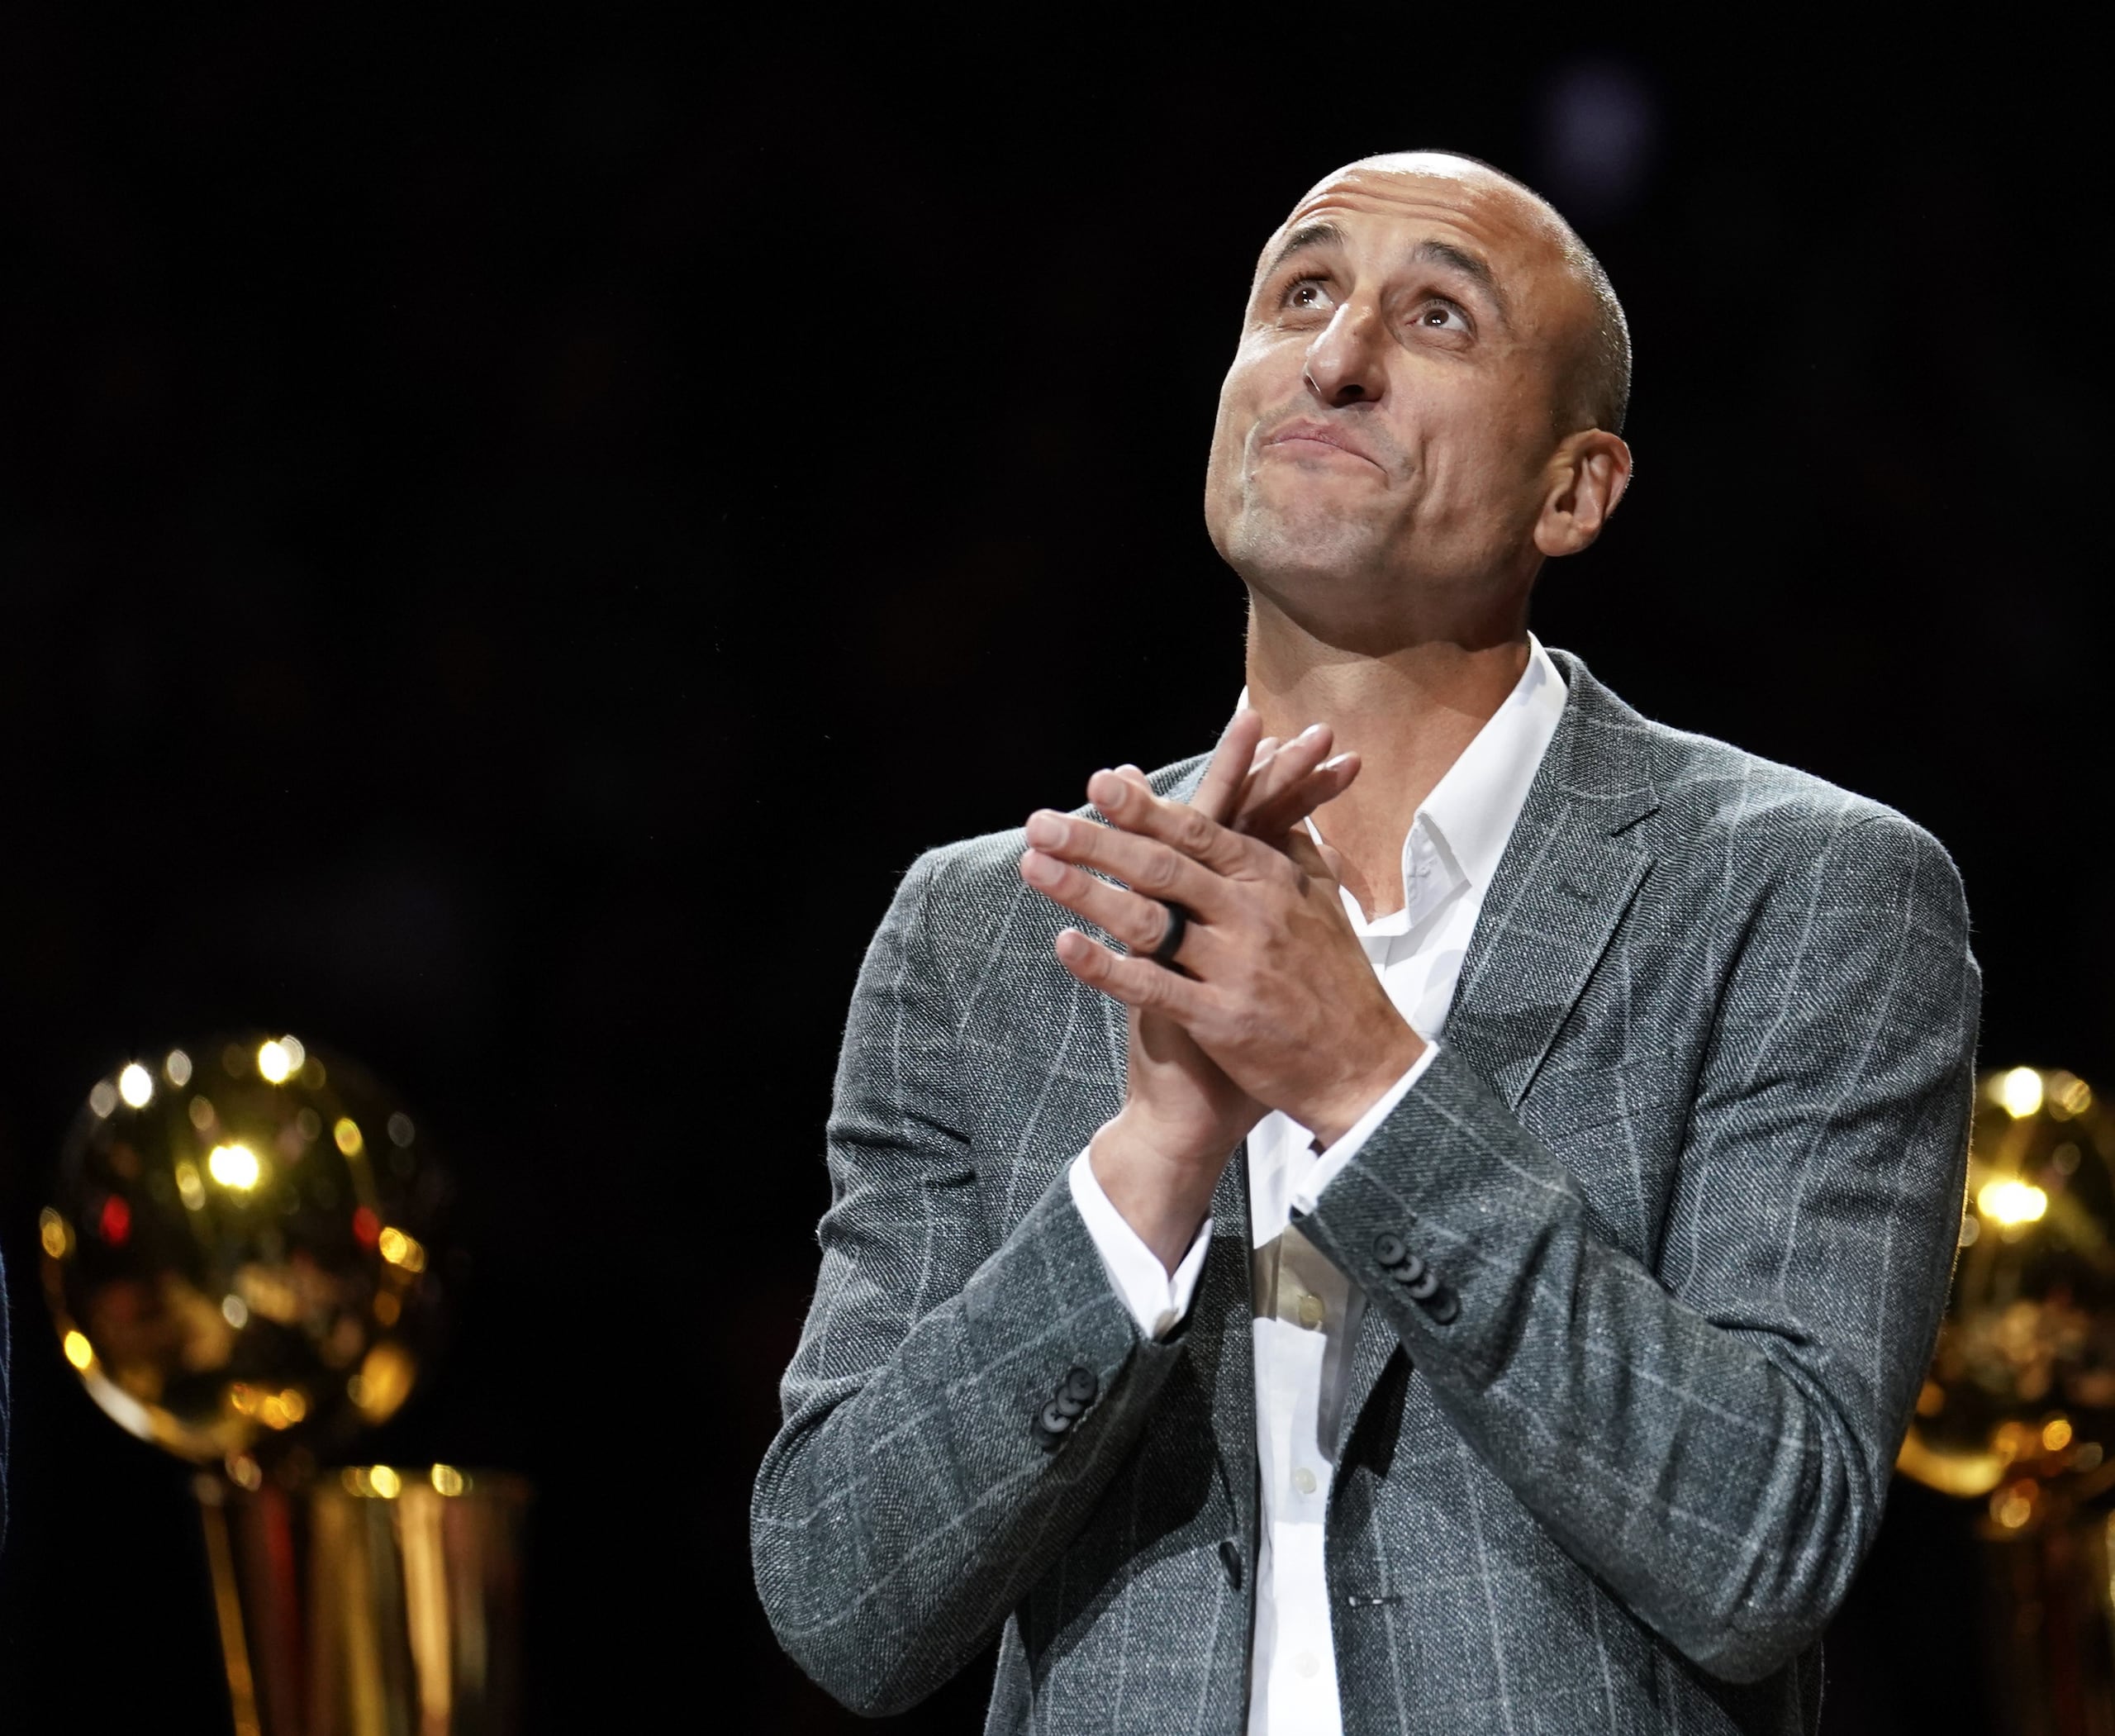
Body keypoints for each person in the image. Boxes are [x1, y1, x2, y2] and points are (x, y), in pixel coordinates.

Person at [750, 150, 1979, 1735]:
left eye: (1439, 318)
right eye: (1301, 294)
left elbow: (1764, 1543)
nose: (1336, 356)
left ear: (1575, 488)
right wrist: (1147, 1171)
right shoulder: (987, 930)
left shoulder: (1805, 895)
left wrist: (1368, 1083)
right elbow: (842, 1597)